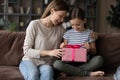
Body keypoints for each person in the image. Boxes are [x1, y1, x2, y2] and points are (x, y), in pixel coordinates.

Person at [19, 0, 69, 80]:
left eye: (64, 17)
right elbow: (26, 50)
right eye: (60, 16)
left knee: (48, 71)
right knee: (33, 74)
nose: (62, 20)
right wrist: (50, 52)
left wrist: (94, 35)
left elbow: (71, 42)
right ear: (52, 11)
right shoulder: (34, 25)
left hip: (46, 64)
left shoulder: (61, 30)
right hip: (29, 61)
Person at [53, 7, 105, 77]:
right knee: (56, 64)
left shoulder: (90, 33)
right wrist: (62, 47)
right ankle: (88, 73)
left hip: (85, 62)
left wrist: (89, 49)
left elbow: (94, 52)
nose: (75, 27)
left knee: (99, 59)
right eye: (72, 25)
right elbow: (64, 51)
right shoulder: (67, 33)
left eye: (78, 25)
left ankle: (70, 72)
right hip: (69, 63)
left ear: (84, 21)